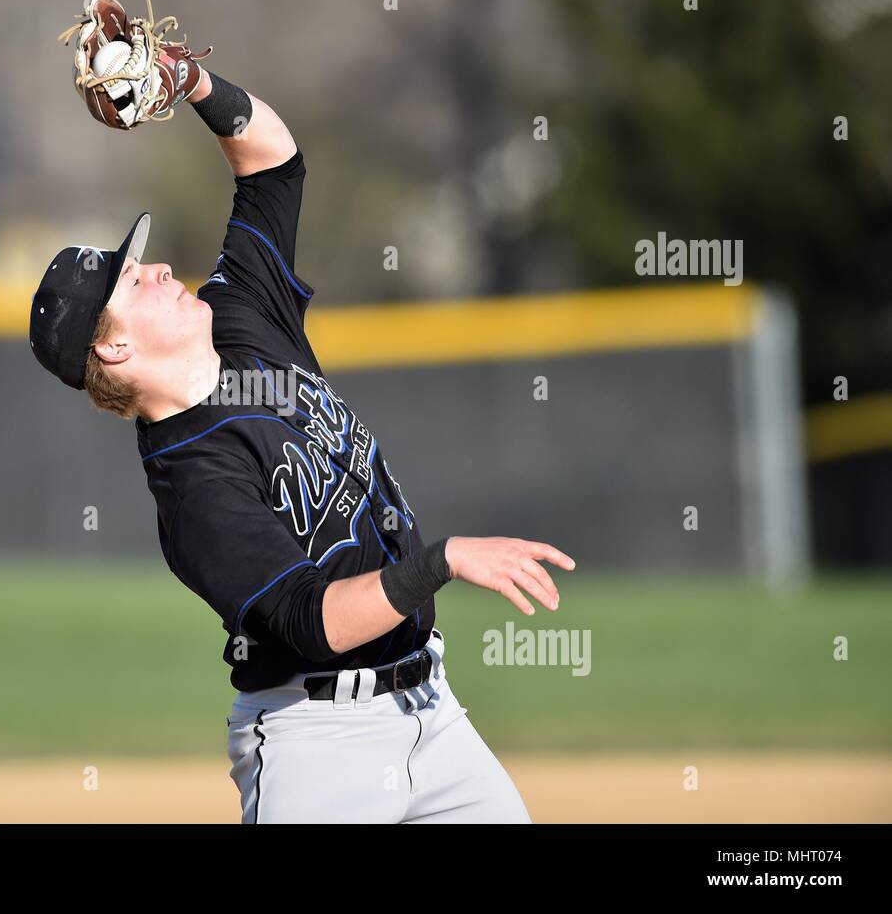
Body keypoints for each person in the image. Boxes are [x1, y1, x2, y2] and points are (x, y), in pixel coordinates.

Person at [30, 64, 575, 823]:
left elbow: (274, 162)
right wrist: (441, 559)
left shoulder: (246, 314)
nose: (156, 267)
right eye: (131, 283)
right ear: (114, 350)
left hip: (432, 708)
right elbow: (314, 622)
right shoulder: (195, 489)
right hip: (321, 743)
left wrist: (183, 78)